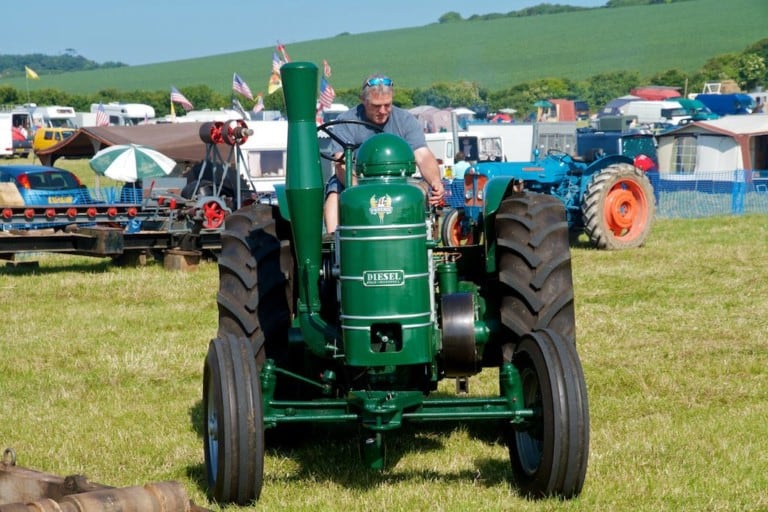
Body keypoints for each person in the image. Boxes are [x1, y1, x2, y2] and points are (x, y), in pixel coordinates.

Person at [323, 74, 445, 233]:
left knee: (420, 190)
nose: (382, 111)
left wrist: (435, 181)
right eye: (376, 106)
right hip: (357, 179)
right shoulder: (345, 121)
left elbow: (422, 155)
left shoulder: (405, 120)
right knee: (335, 193)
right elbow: (340, 163)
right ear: (363, 100)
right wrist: (361, 192)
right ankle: (336, 243)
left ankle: (418, 237)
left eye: (387, 105)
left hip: (398, 179)